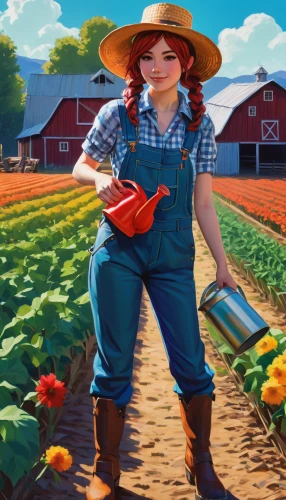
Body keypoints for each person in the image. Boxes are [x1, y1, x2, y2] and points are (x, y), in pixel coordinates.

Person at [72, 3, 238, 500]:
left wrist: (224, 266)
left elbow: (203, 202)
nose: (158, 67)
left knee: (190, 359)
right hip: (118, 248)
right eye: (147, 57)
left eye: (168, 56)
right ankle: (107, 469)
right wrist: (99, 176)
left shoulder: (199, 125)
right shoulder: (115, 113)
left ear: (186, 63)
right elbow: (80, 166)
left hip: (172, 254)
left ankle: (200, 462)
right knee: (115, 359)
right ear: (135, 64)